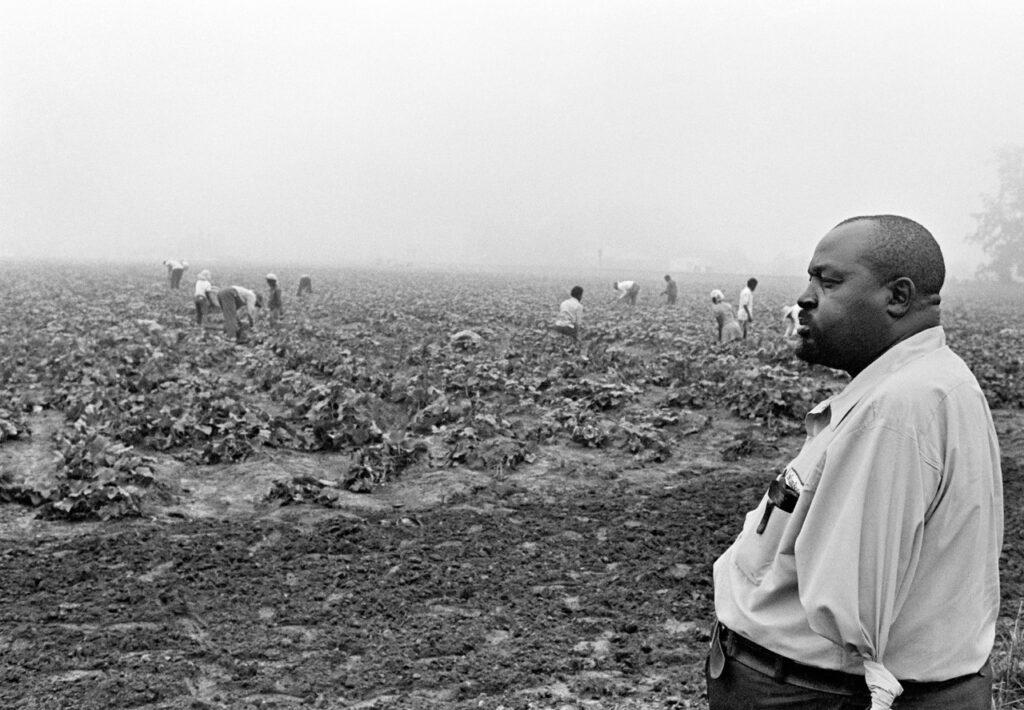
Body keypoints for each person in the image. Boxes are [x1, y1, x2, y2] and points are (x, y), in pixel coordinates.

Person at [707, 215, 1002, 710]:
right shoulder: (923, 383)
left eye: (829, 282)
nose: (805, 297)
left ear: (898, 298)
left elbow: (851, 614)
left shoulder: (897, 413)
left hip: (821, 693)